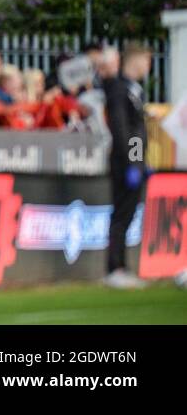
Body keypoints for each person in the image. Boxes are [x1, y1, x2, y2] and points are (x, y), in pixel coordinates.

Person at [103, 43, 151, 289]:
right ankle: (115, 268)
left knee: (128, 215)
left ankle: (122, 266)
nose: (148, 66)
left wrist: (143, 161)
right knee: (121, 215)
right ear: (136, 60)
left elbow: (137, 132)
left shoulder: (134, 90)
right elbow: (124, 131)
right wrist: (134, 162)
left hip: (134, 162)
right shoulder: (120, 89)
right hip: (124, 163)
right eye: (146, 60)